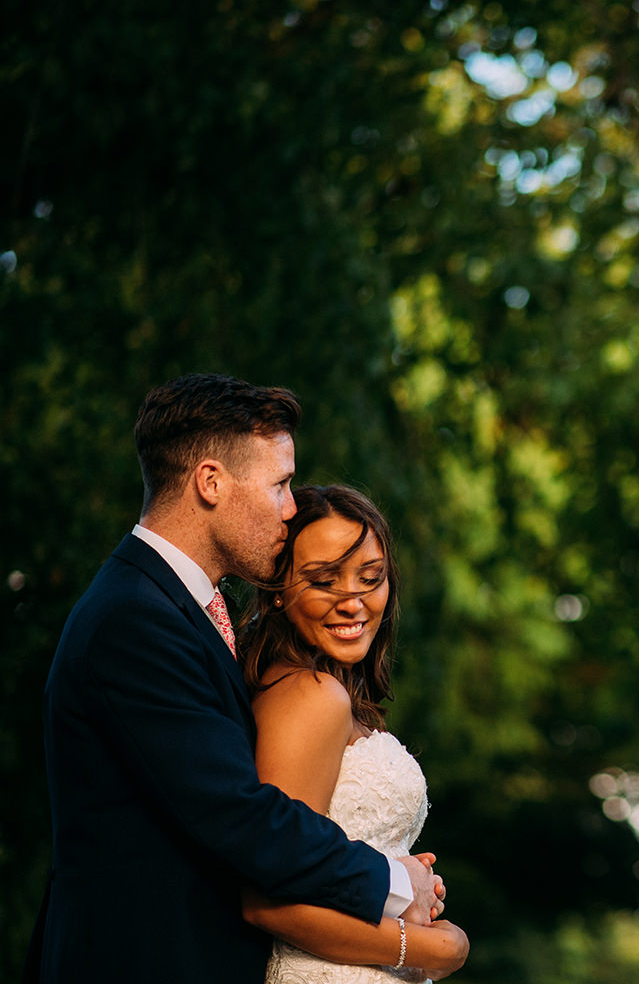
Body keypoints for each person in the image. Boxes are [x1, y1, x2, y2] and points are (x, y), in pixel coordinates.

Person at [29, 374, 455, 984]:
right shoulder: (133, 619)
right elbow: (238, 814)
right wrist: (392, 882)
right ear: (210, 482)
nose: (290, 506)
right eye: (280, 484)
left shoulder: (175, 607)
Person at [237, 484, 466, 982]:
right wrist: (431, 948)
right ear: (277, 592)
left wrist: (405, 881)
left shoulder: (313, 689)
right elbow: (268, 901)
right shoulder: (311, 696)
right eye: (324, 581)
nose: (354, 602)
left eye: (371, 577)